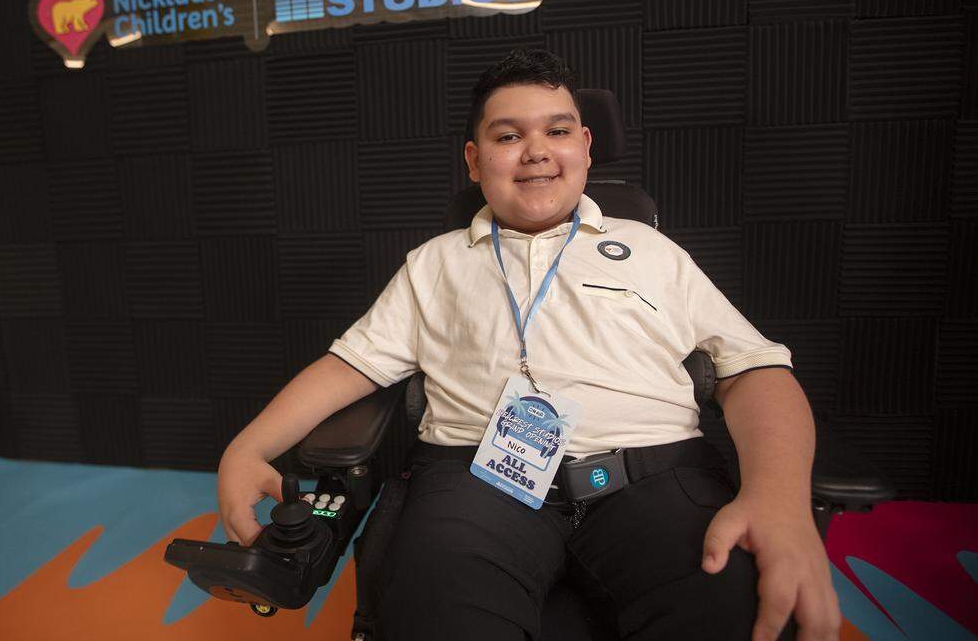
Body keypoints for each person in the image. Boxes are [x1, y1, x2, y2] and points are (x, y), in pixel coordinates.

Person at [217, 49, 841, 640]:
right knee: (431, 616)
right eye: (508, 135)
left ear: (586, 147)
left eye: (558, 131)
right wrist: (248, 450)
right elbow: (346, 368)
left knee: (739, 613)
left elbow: (753, 371)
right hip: (476, 483)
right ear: (473, 159)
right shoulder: (433, 264)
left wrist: (779, 500)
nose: (536, 151)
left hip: (656, 479)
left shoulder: (651, 251)